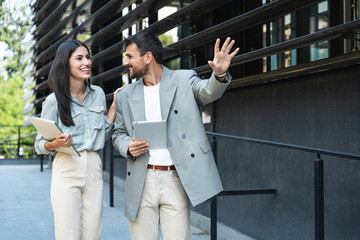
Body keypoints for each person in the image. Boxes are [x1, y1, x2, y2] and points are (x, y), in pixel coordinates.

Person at [112, 32, 239, 240]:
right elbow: (118, 133)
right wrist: (127, 146)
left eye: (129, 56)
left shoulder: (183, 79)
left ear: (147, 57)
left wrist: (219, 75)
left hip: (175, 178)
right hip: (141, 180)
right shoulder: (125, 95)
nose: (126, 62)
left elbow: (207, 92)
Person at [34, 40, 124, 240]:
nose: (87, 62)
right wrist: (55, 144)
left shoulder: (98, 94)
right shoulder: (53, 101)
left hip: (94, 167)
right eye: (79, 58)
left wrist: (113, 108)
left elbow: (102, 136)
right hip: (66, 168)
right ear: (65, 64)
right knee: (68, 234)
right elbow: (39, 145)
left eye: (88, 57)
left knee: (93, 234)